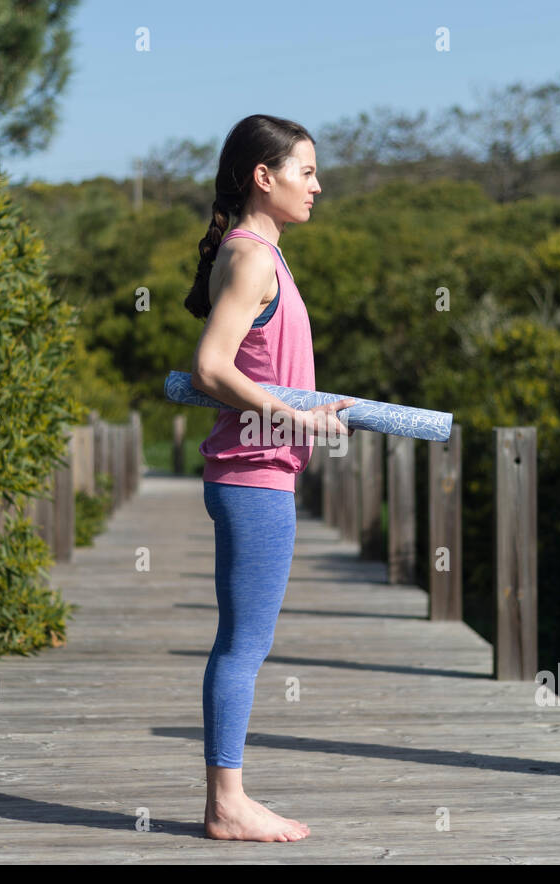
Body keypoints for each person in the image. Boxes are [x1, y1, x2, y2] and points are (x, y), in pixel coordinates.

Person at [184, 114, 354, 842]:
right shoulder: (252, 258)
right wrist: (296, 414)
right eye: (306, 171)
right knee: (244, 645)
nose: (317, 185)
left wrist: (308, 407)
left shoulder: (256, 253)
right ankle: (227, 802)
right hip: (254, 474)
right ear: (265, 176)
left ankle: (230, 796)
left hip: (256, 470)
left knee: (242, 640)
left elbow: (250, 368)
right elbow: (211, 366)